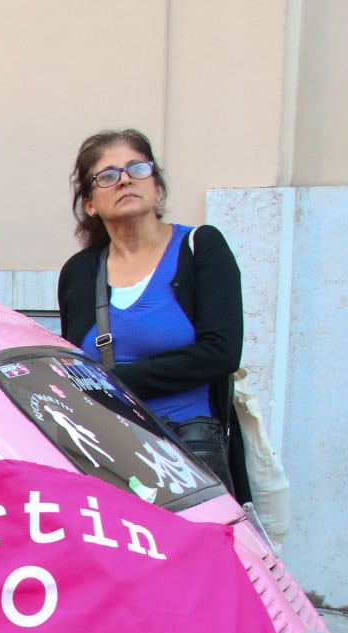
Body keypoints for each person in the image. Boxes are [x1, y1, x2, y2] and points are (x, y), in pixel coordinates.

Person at [55, 128, 247, 499]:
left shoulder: (200, 247)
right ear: (90, 203)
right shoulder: (79, 272)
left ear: (157, 189)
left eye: (137, 169)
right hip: (107, 454)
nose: (125, 179)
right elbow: (73, 366)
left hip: (190, 450)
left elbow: (221, 353)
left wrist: (117, 382)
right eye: (107, 175)